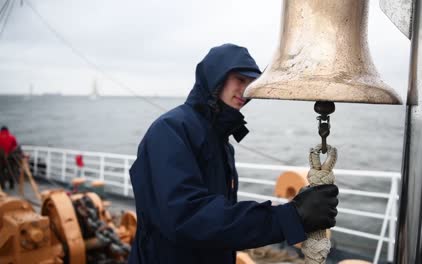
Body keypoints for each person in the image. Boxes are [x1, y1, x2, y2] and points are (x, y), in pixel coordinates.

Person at [129, 43, 339, 264]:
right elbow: (186, 217)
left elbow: (217, 221)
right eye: (240, 79)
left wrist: (295, 212)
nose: (245, 90)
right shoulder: (171, 130)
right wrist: (290, 217)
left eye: (250, 83)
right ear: (216, 77)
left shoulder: (221, 142)